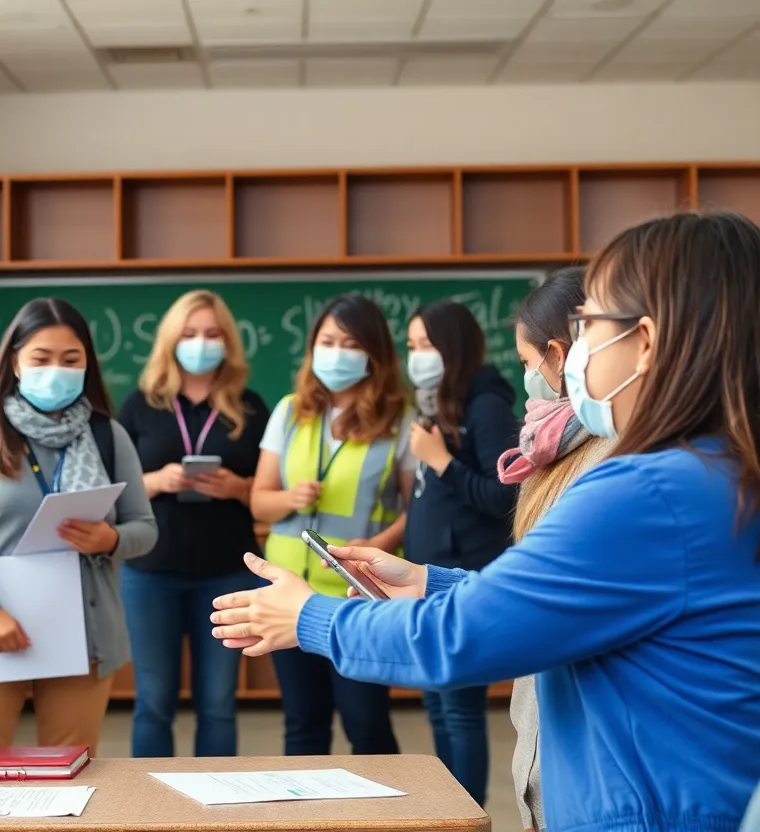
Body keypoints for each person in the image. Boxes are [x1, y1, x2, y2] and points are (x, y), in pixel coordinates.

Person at [211, 211, 760, 832]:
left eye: (588, 323)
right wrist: (429, 583)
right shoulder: (715, 470)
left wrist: (309, 617)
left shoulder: (650, 490)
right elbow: (560, 599)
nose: (575, 349)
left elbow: (460, 640)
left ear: (648, 341)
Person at [0, 297, 157, 754]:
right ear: (15, 361)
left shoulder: (106, 435)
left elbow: (145, 528)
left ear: (87, 366)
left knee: (71, 776)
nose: (56, 369)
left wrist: (110, 538)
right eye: (41, 357)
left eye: (70, 359)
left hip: (83, 632)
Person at [250, 294, 412, 757]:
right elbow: (259, 502)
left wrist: (377, 545)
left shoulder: (400, 421)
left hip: (358, 591)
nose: (336, 353)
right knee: (303, 723)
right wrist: (289, 498)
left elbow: (416, 506)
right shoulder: (289, 411)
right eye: (327, 341)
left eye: (350, 343)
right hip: (290, 591)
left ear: (374, 354)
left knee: (367, 723)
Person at [117, 289, 269, 758]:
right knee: (154, 701)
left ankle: (215, 812)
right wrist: (157, 480)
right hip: (150, 571)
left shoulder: (250, 406)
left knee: (219, 703)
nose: (201, 342)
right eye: (189, 333)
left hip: (227, 571)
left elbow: (266, 489)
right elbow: (112, 487)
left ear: (227, 341)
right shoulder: (140, 405)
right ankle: (148, 812)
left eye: (211, 333)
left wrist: (237, 487)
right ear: (170, 340)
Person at [498, 267, 612, 832]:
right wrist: (427, 583)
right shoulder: (554, 446)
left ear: (559, 353)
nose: (526, 379)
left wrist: (320, 620)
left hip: (583, 762)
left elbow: (541, 602)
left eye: (525, 363)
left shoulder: (610, 457)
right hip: (545, 739)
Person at [400, 299, 517, 805]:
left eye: (427, 345)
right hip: (424, 576)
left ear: (454, 347)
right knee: (436, 703)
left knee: (460, 707)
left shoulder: (485, 405)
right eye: (411, 346)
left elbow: (504, 495)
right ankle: (449, 805)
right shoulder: (435, 401)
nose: (418, 356)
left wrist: (442, 461)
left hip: (462, 575)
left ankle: (466, 811)